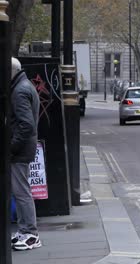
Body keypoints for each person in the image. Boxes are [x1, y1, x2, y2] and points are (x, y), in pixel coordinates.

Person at [10, 57, 41, 250]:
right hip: (24, 148)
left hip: (20, 150)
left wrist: (11, 146)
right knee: (20, 191)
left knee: (21, 192)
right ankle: (24, 230)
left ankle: (31, 233)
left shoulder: (19, 90)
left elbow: (26, 125)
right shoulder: (24, 84)